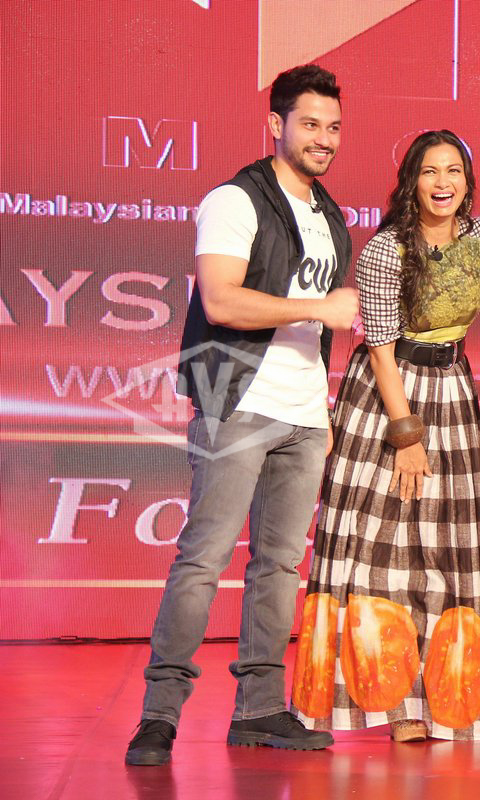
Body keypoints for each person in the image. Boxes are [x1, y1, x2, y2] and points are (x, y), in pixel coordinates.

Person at [125, 64, 358, 766]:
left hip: (303, 412)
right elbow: (222, 300)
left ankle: (259, 709)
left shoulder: (329, 214)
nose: (324, 139)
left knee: (279, 566)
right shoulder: (234, 199)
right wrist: (318, 307)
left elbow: (317, 324)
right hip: (236, 400)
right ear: (276, 125)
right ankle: (159, 715)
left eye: (333, 127)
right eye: (310, 124)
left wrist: (321, 395)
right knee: (203, 558)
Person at [290, 129, 480, 742]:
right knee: (377, 547)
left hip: (452, 391)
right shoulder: (387, 249)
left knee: (445, 548)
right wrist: (406, 434)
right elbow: (382, 351)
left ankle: (442, 702)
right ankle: (388, 704)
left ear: (467, 182)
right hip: (389, 397)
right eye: (430, 171)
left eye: (453, 171)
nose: (443, 183)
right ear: (411, 181)